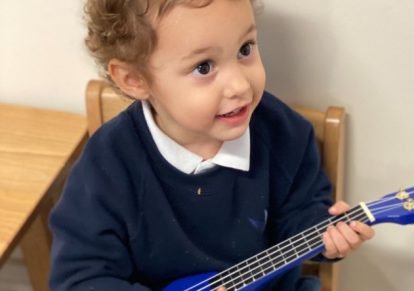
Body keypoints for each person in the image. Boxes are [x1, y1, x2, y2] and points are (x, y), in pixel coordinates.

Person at [49, 0, 375, 290]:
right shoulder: (108, 164)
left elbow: (301, 214)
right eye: (203, 67)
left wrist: (326, 237)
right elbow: (80, 277)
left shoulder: (285, 134)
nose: (239, 85)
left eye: (245, 49)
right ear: (135, 79)